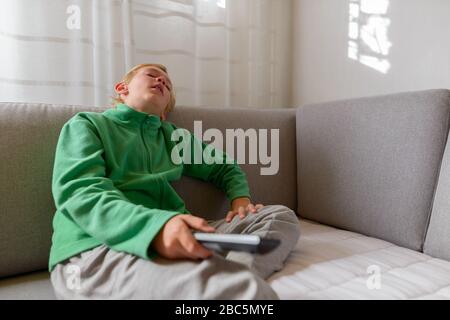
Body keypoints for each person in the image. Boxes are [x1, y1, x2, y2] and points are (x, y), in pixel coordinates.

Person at [49, 63, 300, 299]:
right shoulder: (87, 124)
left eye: (168, 85)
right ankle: (224, 278)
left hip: (180, 237)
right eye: (151, 75)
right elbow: (80, 192)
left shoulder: (173, 138)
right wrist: (156, 227)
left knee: (280, 215)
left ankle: (227, 271)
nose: (161, 81)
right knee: (249, 294)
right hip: (97, 248)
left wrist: (240, 199)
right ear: (122, 88)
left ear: (165, 113)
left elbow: (224, 167)